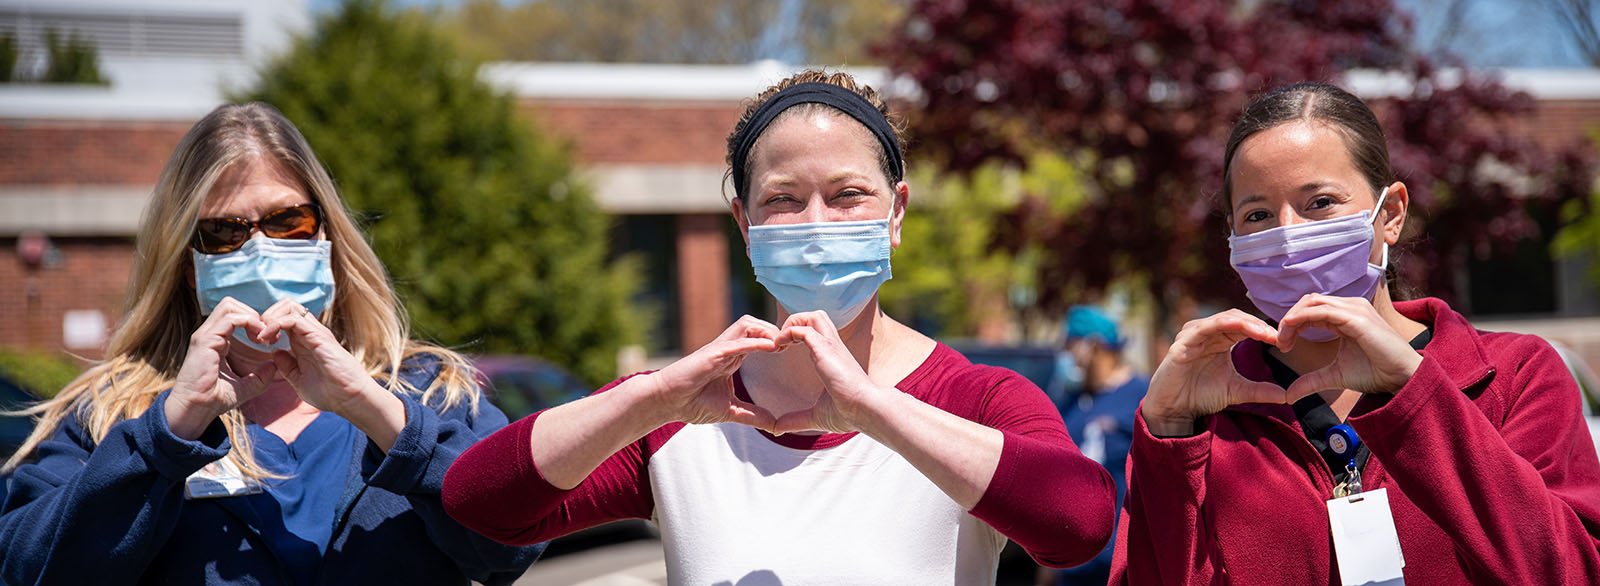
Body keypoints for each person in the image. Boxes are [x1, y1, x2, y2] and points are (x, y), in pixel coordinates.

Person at [442, 70, 1116, 584]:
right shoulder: (685, 416)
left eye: (849, 195)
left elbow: (1080, 524)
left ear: (897, 213)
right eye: (783, 201)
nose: (818, 224)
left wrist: (877, 412)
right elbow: (481, 503)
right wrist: (647, 399)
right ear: (744, 224)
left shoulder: (979, 399)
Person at [0, 103, 543, 585]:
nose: (259, 249)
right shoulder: (113, 414)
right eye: (224, 232)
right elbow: (24, 569)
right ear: (188, 265)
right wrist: (165, 437)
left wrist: (377, 411)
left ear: (326, 237)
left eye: (288, 221)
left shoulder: (430, 389)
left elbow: (512, 544)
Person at [1111, 82, 1600, 585]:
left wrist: (1420, 398)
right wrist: (1170, 437)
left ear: (1389, 215)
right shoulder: (1203, 406)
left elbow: (1573, 571)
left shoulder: (1515, 376)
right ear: (1232, 237)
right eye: (1257, 215)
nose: (1288, 236)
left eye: (1320, 202)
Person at [1044, 306, 1147, 586]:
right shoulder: (1068, 404)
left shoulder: (1143, 397)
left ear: (1095, 345)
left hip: (1126, 560)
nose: (1067, 354)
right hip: (1074, 563)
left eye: (1071, 345)